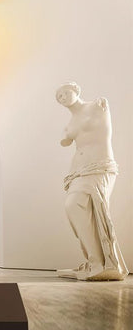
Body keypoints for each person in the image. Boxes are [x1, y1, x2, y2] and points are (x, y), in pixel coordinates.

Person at [56, 82, 128, 281]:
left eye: (65, 92)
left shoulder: (97, 105)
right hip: (78, 171)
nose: (62, 97)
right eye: (59, 97)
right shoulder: (68, 125)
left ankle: (103, 263)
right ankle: (96, 261)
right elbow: (65, 141)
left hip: (100, 165)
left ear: (76, 90)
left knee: (80, 206)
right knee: (74, 208)